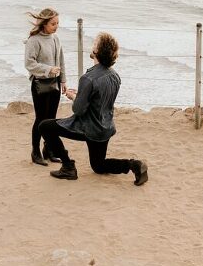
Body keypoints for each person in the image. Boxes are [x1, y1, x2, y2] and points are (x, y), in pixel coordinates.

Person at [39, 32, 148, 186]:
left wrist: (73, 97)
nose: (92, 45)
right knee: (98, 165)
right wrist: (82, 94)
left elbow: (78, 110)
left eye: (95, 44)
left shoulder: (88, 78)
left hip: (88, 128)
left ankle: (68, 166)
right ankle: (134, 165)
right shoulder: (114, 75)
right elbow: (100, 100)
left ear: (97, 51)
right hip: (105, 128)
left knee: (45, 126)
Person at [24, 8, 66, 166]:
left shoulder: (55, 38)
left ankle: (48, 151)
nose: (56, 26)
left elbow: (61, 60)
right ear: (44, 23)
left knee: (51, 120)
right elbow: (29, 64)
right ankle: (35, 152)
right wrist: (48, 70)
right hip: (39, 85)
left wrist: (63, 80)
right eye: (53, 23)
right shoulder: (34, 40)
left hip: (54, 84)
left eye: (58, 23)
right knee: (41, 119)